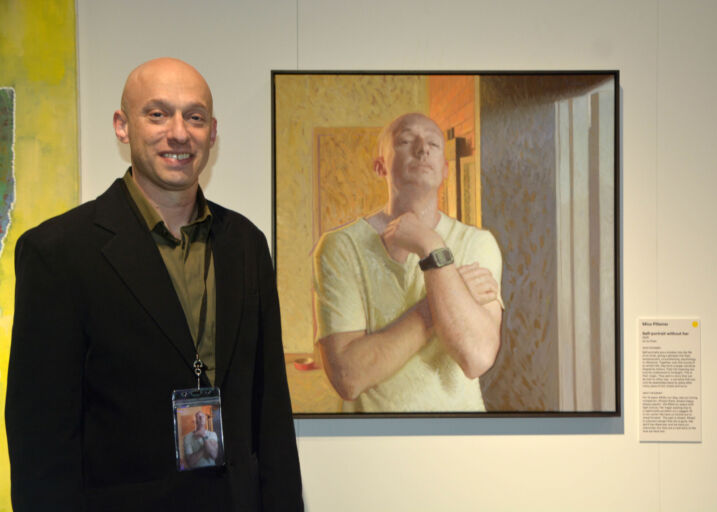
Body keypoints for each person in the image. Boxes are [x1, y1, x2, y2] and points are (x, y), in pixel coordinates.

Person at [5, 58, 303, 511]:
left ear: (213, 132)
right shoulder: (58, 252)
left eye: (195, 117)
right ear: (122, 126)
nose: (179, 133)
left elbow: (271, 409)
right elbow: (40, 441)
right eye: (158, 114)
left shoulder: (246, 243)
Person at [313, 112, 503, 413]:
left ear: (445, 169)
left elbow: (477, 358)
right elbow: (348, 378)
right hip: (373, 436)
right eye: (405, 141)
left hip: (461, 434)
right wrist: (441, 301)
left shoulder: (477, 243)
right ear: (380, 166)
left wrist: (431, 246)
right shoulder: (340, 247)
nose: (422, 148)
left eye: (433, 144)